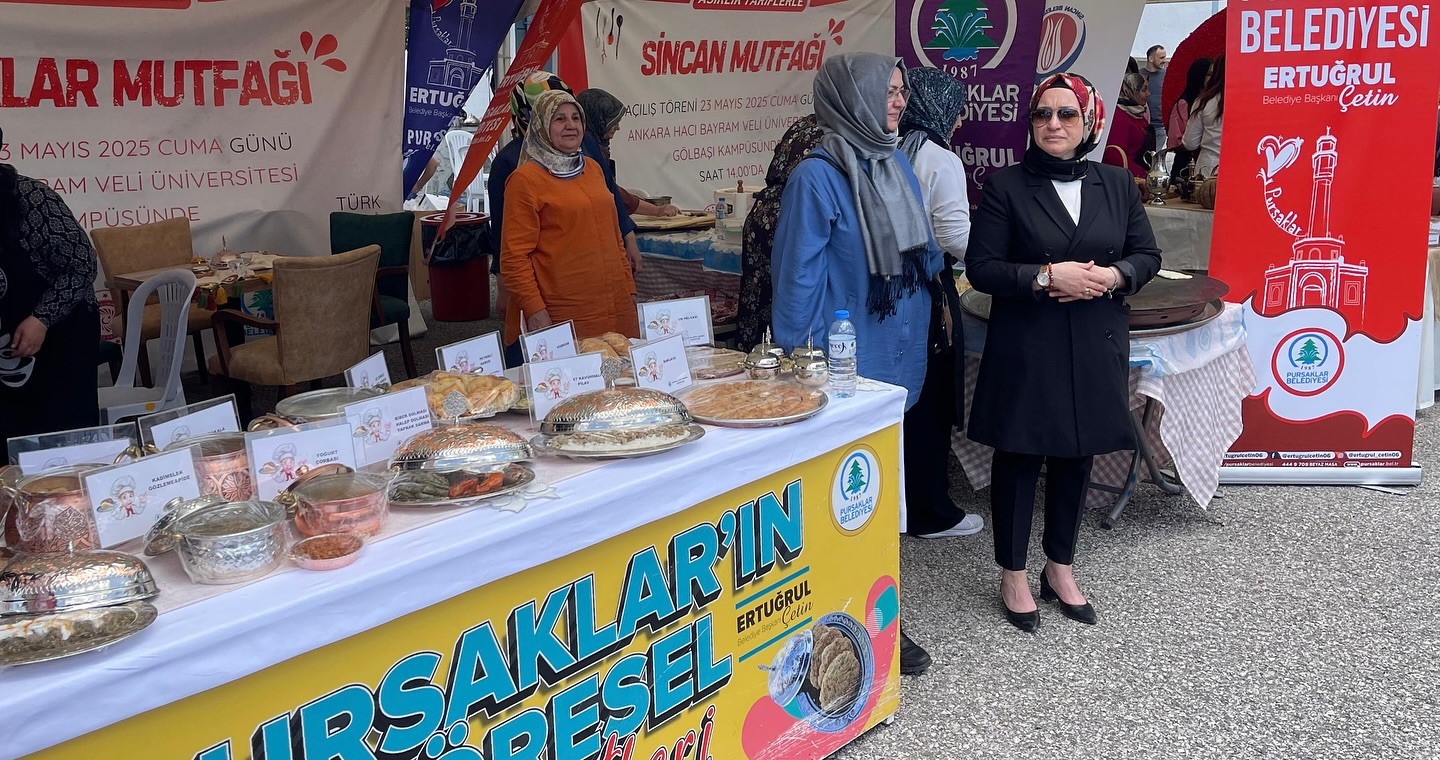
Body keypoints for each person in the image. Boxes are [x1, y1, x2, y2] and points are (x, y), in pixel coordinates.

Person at [964, 73, 1161, 632]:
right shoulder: (1006, 186)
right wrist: (1047, 276)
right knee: (1020, 455)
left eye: (1066, 114)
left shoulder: (1117, 183)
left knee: (1078, 452)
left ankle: (1060, 567)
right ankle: (1013, 574)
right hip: (1030, 343)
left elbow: (1147, 255)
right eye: (1042, 114)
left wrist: (1115, 275)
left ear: (1089, 121)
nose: (1053, 124)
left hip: (1095, 338)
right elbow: (981, 268)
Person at [771, 52, 943, 675]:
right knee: (840, 501)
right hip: (841, 370)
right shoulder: (815, 178)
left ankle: (879, 618)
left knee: (881, 498)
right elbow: (795, 279)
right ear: (853, 98)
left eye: (901, 92)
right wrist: (798, 367)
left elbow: (923, 256)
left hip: (894, 359)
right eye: (887, 91)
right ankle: (842, 627)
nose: (899, 102)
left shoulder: (894, 163)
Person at [489, 72, 644, 365]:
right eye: (559, 119)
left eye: (575, 117)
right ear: (540, 125)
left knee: (622, 382)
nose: (570, 125)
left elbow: (612, 235)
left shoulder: (592, 169)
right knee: (575, 384)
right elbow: (514, 257)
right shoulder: (525, 180)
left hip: (613, 304)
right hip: (561, 311)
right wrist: (535, 310)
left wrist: (629, 289)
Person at [895, 66, 980, 540]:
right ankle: (930, 512)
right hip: (929, 283)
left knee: (903, 394)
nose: (962, 119)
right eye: (958, 108)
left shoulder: (892, 145)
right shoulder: (939, 158)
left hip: (889, 288)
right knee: (932, 395)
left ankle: (901, 504)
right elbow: (953, 236)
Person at [0, 129, 101, 444]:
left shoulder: (31, 198)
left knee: (60, 438)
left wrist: (41, 318)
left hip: (60, 334)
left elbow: (81, 264)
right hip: (5, 344)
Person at [738, 115, 824, 350]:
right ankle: (778, 351)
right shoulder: (839, 130)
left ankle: (754, 351)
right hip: (790, 207)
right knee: (787, 288)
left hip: (764, 210)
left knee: (759, 292)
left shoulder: (806, 123)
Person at [576, 89, 681, 218]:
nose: (618, 127)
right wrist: (655, 210)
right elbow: (611, 192)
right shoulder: (585, 152)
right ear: (597, 119)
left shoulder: (596, 147)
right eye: (612, 121)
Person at [1165, 57, 1214, 182]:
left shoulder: (1214, 103)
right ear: (1199, 76)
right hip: (1185, 164)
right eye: (1209, 74)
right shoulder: (1184, 104)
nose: (1213, 78)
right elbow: (1174, 140)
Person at [1182, 53, 1225, 178]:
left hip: (1208, 168)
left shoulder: (1204, 102)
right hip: (1241, 168)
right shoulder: (1251, 101)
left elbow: (1190, 143)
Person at [1103, 73, 1150, 179]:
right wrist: (1143, 175)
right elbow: (1115, 156)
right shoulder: (1119, 117)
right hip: (1126, 178)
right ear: (1130, 91)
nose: (1148, 94)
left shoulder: (1137, 113)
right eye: (1144, 90)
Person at [1141, 45, 1168, 148]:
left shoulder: (1166, 76)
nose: (1164, 61)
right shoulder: (1139, 76)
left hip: (1160, 127)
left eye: (1164, 57)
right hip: (1142, 125)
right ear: (1151, 58)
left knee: (1155, 155)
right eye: (1161, 58)